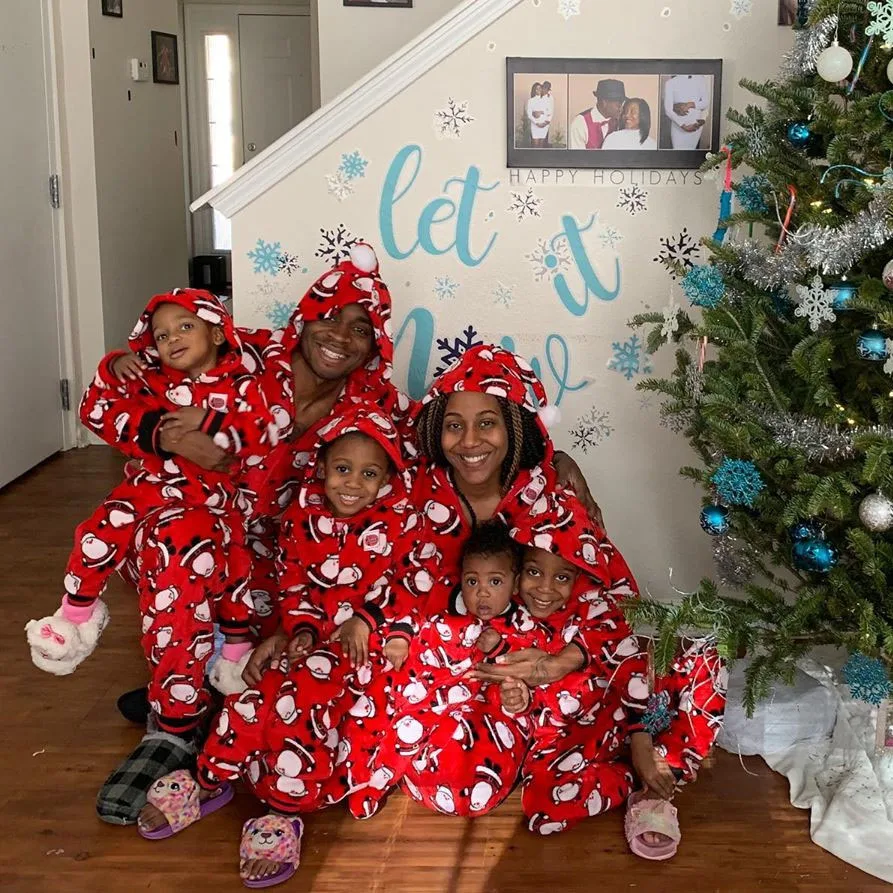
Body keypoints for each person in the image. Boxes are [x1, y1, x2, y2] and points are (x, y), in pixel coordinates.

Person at [135, 406, 437, 886]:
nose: (353, 483)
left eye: (369, 474)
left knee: (299, 700)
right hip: (310, 639)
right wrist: (300, 630)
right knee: (256, 690)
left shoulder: (401, 521)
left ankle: (283, 809)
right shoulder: (303, 515)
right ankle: (210, 781)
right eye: (343, 469)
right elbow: (292, 580)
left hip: (365, 650)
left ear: (385, 479)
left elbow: (415, 583)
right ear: (322, 468)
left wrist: (366, 621)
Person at [25, 289, 292, 824]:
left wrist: (208, 426)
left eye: (184, 328)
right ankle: (83, 621)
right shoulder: (151, 376)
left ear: (216, 331)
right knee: (100, 534)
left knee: (198, 560)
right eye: (162, 334)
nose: (171, 340)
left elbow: (264, 428)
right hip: (151, 503)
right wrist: (138, 404)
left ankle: (181, 709)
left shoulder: (250, 378)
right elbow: (96, 407)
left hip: (219, 518)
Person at [113, 244, 410, 718]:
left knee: (297, 617)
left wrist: (533, 452)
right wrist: (168, 439)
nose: (340, 336)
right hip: (192, 520)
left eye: (361, 328)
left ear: (376, 344)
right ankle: (174, 718)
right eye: (329, 317)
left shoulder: (374, 404)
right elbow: (116, 394)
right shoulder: (239, 356)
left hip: (276, 556)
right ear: (304, 319)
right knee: (186, 543)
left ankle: (208, 686)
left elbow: (438, 442)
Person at [346, 521, 544, 820]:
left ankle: (455, 782)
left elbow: (530, 668)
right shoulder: (445, 612)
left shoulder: (523, 622)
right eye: (472, 581)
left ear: (515, 584)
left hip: (488, 711)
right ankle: (374, 780)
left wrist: (500, 651)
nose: (482, 593)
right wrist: (401, 638)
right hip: (436, 702)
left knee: (474, 754)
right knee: (396, 715)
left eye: (495, 582)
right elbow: (416, 630)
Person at [504, 491, 650, 834]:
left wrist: (640, 738)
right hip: (546, 738)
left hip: (596, 728)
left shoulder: (597, 616)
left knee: (543, 810)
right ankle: (620, 774)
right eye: (534, 572)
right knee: (539, 807)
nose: (545, 589)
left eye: (562, 577)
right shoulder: (506, 613)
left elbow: (633, 676)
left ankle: (632, 776)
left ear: (578, 578)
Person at [623, 637, 728, 860]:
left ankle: (659, 779)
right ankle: (655, 780)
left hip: (671, 713)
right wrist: (639, 738)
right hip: (617, 720)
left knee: (713, 654)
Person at [569, 78, 625, 150]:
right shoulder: (580, 123)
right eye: (618, 105)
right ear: (604, 102)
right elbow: (577, 156)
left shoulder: (619, 122)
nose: (621, 108)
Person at [663, 74, 710, 150]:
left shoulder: (700, 79)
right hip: (678, 126)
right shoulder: (670, 83)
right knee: (678, 151)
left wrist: (690, 104)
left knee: (692, 152)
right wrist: (683, 125)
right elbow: (668, 110)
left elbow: (706, 102)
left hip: (695, 125)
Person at [525, 82, 549, 148]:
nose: (539, 90)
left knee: (542, 145)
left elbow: (548, 112)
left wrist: (540, 112)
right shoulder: (531, 100)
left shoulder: (546, 100)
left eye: (540, 88)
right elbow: (529, 114)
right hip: (535, 125)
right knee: (535, 145)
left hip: (544, 125)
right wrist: (537, 123)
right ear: (534, 90)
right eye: (537, 89)